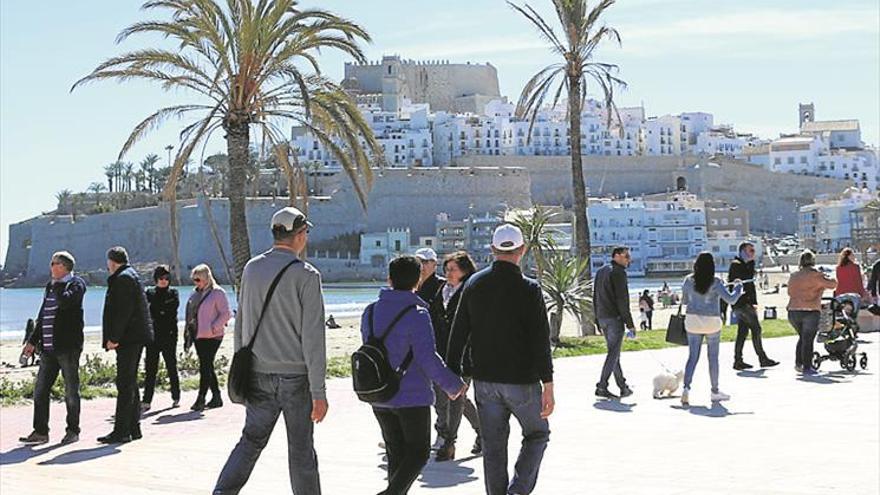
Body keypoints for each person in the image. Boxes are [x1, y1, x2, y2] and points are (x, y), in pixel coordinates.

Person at [215, 207, 327, 495]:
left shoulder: (252, 268)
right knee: (301, 451)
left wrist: (241, 371)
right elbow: (313, 338)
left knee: (250, 441)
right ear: (300, 235)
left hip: (257, 374)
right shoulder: (307, 275)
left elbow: (243, 324)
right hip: (295, 378)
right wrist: (319, 392)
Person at [447, 224, 554, 495]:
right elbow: (540, 340)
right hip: (522, 381)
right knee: (538, 434)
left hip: (485, 380)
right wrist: (548, 384)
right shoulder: (530, 289)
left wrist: (453, 376)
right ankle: (517, 490)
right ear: (522, 250)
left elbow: (458, 333)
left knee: (493, 446)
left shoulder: (473, 284)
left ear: (493, 249)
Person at [365, 256, 466, 494]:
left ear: (389, 279)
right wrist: (452, 385)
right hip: (411, 396)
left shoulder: (370, 312)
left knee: (396, 454)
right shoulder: (418, 313)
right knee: (419, 453)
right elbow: (427, 357)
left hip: (379, 393)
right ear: (418, 280)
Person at [19, 251, 86, 446]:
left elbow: (66, 302)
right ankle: (40, 431)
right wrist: (32, 342)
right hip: (47, 349)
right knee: (40, 389)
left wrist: (58, 285)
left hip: (67, 348)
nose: (50, 267)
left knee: (71, 391)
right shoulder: (51, 286)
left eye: (53, 263)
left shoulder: (76, 284)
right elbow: (43, 316)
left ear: (63, 267)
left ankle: (73, 430)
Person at [99, 246, 153, 444]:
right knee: (129, 382)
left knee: (124, 383)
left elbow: (123, 312)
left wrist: (114, 337)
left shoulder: (123, 278)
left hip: (129, 338)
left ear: (111, 261)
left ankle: (121, 430)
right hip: (134, 337)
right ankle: (133, 427)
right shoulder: (130, 275)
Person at [435, 251, 482, 462]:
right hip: (443, 354)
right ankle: (483, 433)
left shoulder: (471, 290)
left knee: (456, 398)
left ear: (465, 270)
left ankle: (449, 442)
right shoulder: (442, 291)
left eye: (453, 269)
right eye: (446, 269)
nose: (448, 273)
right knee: (457, 397)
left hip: (465, 356)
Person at [680, 252, 744, 406]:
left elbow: (684, 300)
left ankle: (686, 389)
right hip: (712, 321)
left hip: (693, 321)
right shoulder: (716, 282)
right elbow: (731, 299)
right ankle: (714, 391)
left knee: (692, 357)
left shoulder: (688, 280)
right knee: (713, 358)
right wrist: (738, 287)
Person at [414, 247, 450, 448]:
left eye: (426, 262)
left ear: (434, 265)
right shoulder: (411, 286)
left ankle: (444, 433)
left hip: (439, 348)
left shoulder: (441, 287)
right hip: (416, 349)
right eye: (419, 261)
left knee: (444, 396)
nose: (422, 266)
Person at [187, 264, 231, 411]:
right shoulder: (195, 294)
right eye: (194, 280)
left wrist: (214, 327)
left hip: (213, 336)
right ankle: (216, 396)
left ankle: (201, 398)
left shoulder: (217, 293)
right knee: (207, 365)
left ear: (206, 278)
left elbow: (226, 314)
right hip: (198, 335)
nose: (196, 282)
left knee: (205, 365)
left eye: (198, 279)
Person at [593, 246, 636, 399]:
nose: (628, 259)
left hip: (603, 317)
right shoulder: (618, 273)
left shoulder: (601, 271)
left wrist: (596, 318)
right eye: (626, 256)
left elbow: (595, 296)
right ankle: (602, 385)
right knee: (613, 353)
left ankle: (623, 386)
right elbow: (622, 300)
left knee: (614, 353)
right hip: (614, 319)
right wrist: (630, 323)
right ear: (616, 256)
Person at [728, 242, 778, 370]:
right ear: (742, 252)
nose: (753, 254)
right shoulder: (736, 265)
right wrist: (750, 264)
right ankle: (762, 358)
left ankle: (738, 360)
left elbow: (751, 285)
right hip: (742, 302)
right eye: (750, 251)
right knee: (756, 329)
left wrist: (754, 302)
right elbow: (744, 281)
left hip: (745, 302)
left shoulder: (746, 264)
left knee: (742, 331)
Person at [788, 250, 838, 375]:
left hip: (793, 310)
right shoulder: (816, 275)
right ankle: (807, 367)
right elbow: (833, 285)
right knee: (808, 339)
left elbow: (789, 292)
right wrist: (827, 276)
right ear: (813, 261)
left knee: (802, 337)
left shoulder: (794, 275)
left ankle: (799, 363)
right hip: (810, 310)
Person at [142, 265, 181, 411]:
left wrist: (159, 310)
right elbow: (148, 311)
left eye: (166, 278)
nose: (164, 281)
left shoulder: (173, 292)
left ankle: (176, 396)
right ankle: (146, 400)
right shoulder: (149, 292)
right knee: (151, 369)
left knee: (171, 366)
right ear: (155, 279)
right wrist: (160, 310)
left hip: (169, 336)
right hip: (153, 337)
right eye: (161, 278)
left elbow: (171, 309)